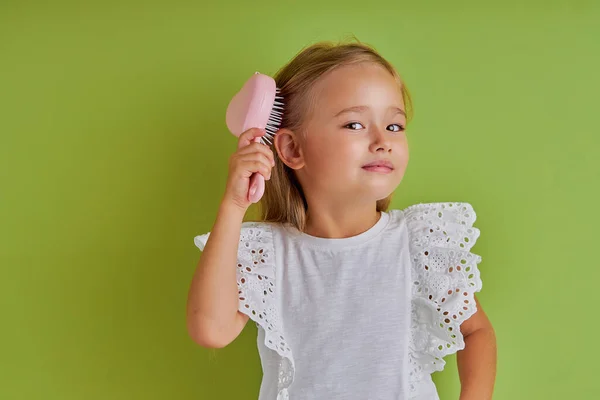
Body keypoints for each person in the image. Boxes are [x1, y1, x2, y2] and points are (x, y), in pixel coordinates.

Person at [187, 40, 497, 400]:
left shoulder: (417, 243)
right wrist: (233, 205)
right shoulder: (268, 254)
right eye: (354, 124)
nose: (383, 141)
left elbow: (476, 332)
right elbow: (211, 330)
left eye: (395, 126)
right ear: (291, 149)